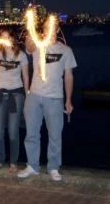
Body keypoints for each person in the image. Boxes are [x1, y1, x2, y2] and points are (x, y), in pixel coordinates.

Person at [18, 25, 77, 181]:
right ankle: (32, 166)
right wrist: (30, 35)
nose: (48, 31)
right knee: (31, 133)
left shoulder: (66, 50)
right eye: (45, 28)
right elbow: (29, 47)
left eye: (52, 28)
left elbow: (69, 76)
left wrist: (68, 100)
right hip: (34, 96)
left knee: (55, 135)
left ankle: (53, 167)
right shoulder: (38, 45)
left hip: (55, 98)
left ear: (57, 30)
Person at [0, 28, 29, 172]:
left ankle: (13, 162)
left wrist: (27, 96)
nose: (5, 40)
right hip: (0, 95)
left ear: (13, 39)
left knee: (13, 131)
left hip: (16, 95)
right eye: (2, 37)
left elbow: (25, 77)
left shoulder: (22, 55)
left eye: (7, 37)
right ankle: (0, 160)